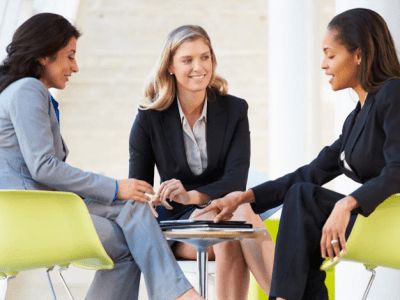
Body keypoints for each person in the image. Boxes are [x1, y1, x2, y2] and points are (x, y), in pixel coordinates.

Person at [196, 8, 400, 300]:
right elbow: (310, 172)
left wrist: (346, 204)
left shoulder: (393, 93)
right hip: (373, 219)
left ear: (359, 54)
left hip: (390, 223)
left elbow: (397, 170)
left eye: (330, 54)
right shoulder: (355, 119)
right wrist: (243, 197)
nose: (323, 65)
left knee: (305, 197)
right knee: (303, 200)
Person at [0, 13, 204, 300]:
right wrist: (116, 188)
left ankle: (176, 294)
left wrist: (119, 192)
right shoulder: (27, 89)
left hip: (36, 209)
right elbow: (43, 167)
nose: (76, 66)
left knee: (133, 216)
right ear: (44, 55)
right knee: (134, 236)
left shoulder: (18, 91)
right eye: (70, 56)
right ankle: (178, 294)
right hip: (30, 216)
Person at [129, 25, 275, 299]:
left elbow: (235, 181)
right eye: (187, 60)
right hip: (178, 223)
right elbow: (139, 186)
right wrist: (152, 200)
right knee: (236, 221)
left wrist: (192, 195)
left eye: (205, 57)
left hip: (225, 211)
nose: (199, 67)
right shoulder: (150, 116)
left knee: (233, 223)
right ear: (170, 66)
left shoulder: (234, 110)